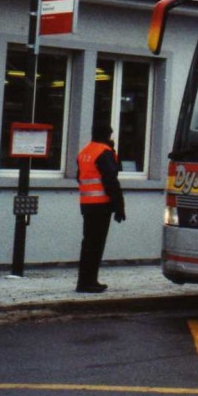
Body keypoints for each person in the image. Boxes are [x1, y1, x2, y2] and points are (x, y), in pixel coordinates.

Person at [76, 123, 125, 293]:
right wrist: (119, 207)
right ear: (108, 135)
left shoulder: (85, 152)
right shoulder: (104, 152)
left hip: (86, 204)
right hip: (101, 205)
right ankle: (90, 282)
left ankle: (84, 281)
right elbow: (112, 180)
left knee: (88, 244)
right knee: (96, 245)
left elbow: (79, 177)